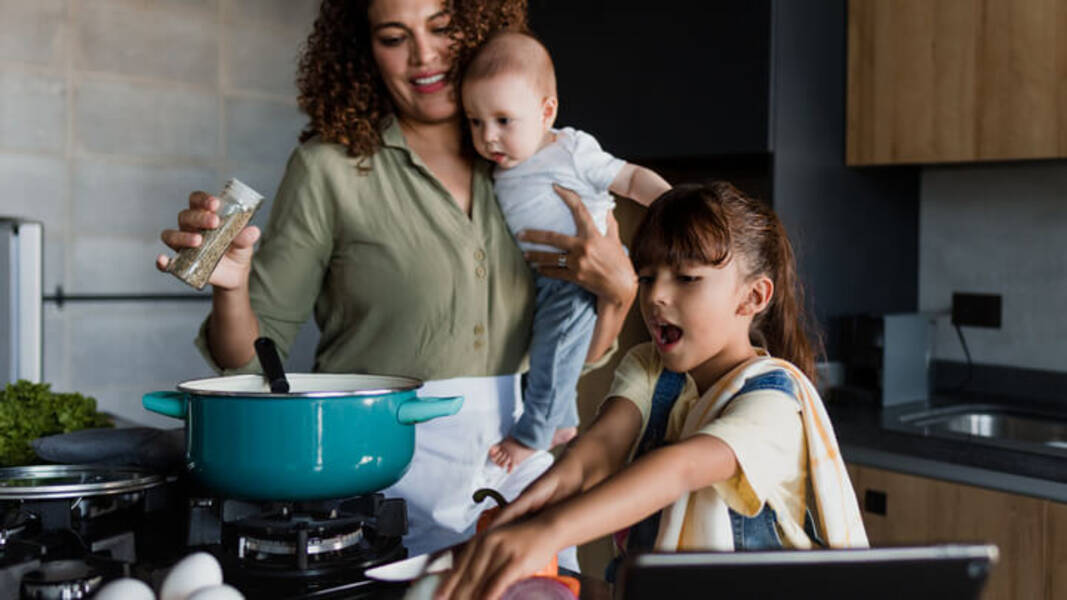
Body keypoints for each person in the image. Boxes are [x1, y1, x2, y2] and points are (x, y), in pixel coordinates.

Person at [155, 0, 639, 563]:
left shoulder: (529, 159)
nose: (424, 56)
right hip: (375, 474)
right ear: (363, 50)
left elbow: (574, 349)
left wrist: (620, 294)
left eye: (441, 28)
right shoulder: (328, 169)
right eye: (393, 37)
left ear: (477, 27)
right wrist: (230, 287)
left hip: (517, 471)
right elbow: (246, 362)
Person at [437, 182, 869, 600]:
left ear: (752, 297)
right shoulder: (649, 367)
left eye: (686, 278)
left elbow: (680, 468)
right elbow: (602, 449)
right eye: (646, 277)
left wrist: (549, 532)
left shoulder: (775, 401)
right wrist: (529, 511)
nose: (656, 296)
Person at [460, 32, 671, 472]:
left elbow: (630, 179)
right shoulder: (498, 167)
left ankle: (533, 434)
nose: (489, 138)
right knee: (550, 350)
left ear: (546, 112)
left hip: (580, 276)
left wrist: (674, 204)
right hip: (548, 277)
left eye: (503, 121)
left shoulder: (572, 151)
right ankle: (563, 422)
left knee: (553, 353)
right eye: (475, 122)